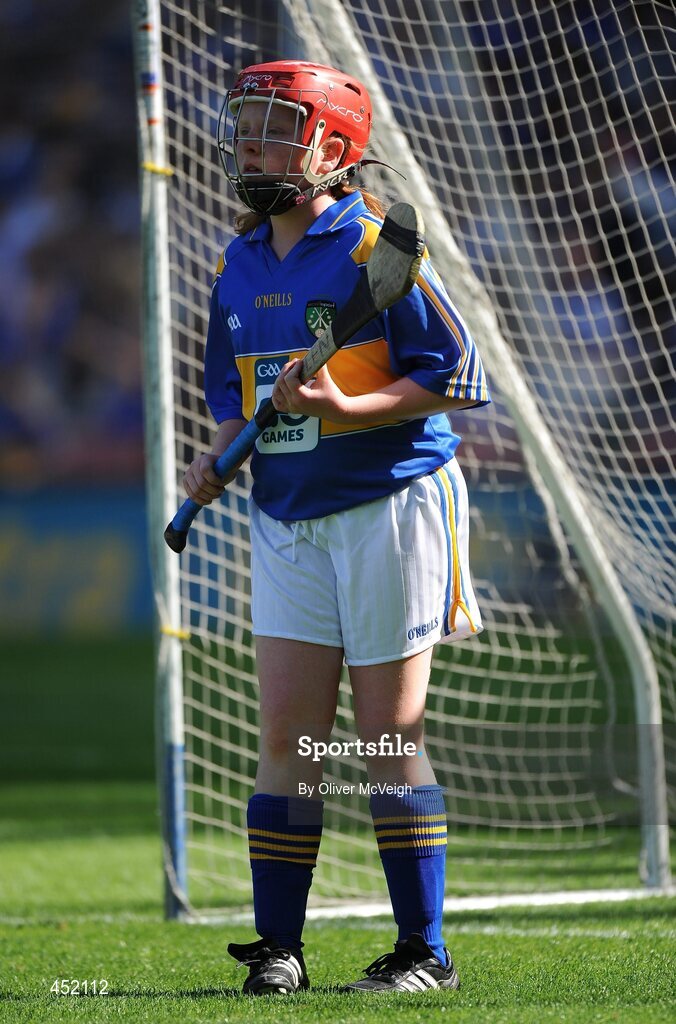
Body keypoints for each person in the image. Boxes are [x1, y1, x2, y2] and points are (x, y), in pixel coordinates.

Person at [183, 60, 490, 995]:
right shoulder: (238, 262)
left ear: (334, 148)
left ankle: (421, 954)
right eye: (246, 127)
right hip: (284, 515)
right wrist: (220, 452)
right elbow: (231, 392)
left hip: (391, 501)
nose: (252, 145)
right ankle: (278, 951)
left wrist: (346, 406)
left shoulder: (375, 248)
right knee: (287, 734)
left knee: (386, 732)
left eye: (276, 129)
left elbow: (459, 375)